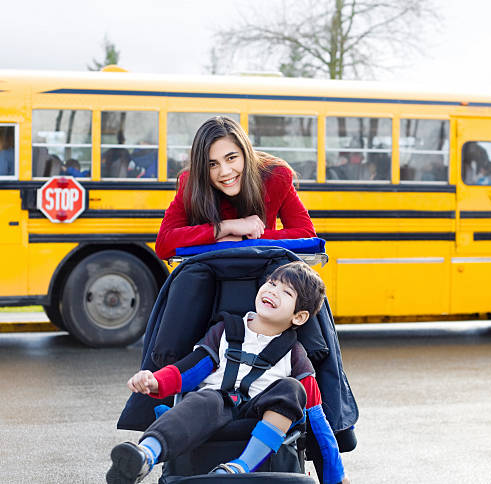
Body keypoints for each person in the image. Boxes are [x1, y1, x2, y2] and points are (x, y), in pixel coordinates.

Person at [106, 261, 348, 484]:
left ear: (299, 316)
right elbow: (188, 370)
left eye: (286, 292)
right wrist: (154, 380)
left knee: (292, 389)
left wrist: (337, 478)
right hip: (213, 406)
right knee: (205, 397)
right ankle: (145, 455)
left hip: (262, 414)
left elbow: (318, 422)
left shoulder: (295, 355)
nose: (273, 291)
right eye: (272, 283)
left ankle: (240, 467)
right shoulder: (225, 331)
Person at [155, 117, 316, 260]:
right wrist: (225, 227)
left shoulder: (275, 176)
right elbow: (164, 244)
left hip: (262, 276)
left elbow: (307, 236)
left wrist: (245, 239)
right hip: (210, 276)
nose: (225, 172)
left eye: (231, 158)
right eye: (212, 164)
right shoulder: (192, 183)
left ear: (246, 154)